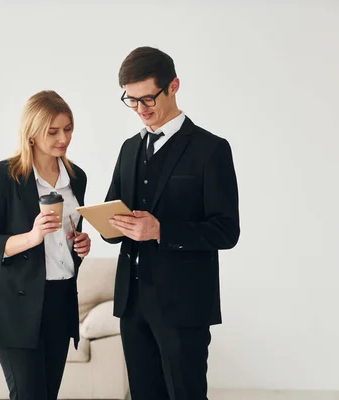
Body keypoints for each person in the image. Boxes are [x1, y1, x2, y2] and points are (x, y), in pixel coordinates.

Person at [104, 46, 240, 400]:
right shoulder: (128, 149)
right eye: (131, 100)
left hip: (185, 304)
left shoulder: (211, 150)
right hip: (132, 302)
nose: (141, 109)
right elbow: (112, 214)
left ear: (174, 86)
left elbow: (227, 231)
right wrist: (106, 225)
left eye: (148, 97)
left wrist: (161, 230)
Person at [0, 90, 91, 400]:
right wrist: (32, 237)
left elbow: (66, 241)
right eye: (52, 131)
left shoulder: (76, 177)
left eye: (68, 129)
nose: (63, 138)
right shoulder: (2, 176)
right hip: (15, 307)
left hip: (60, 300)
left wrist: (80, 245)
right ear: (32, 134)